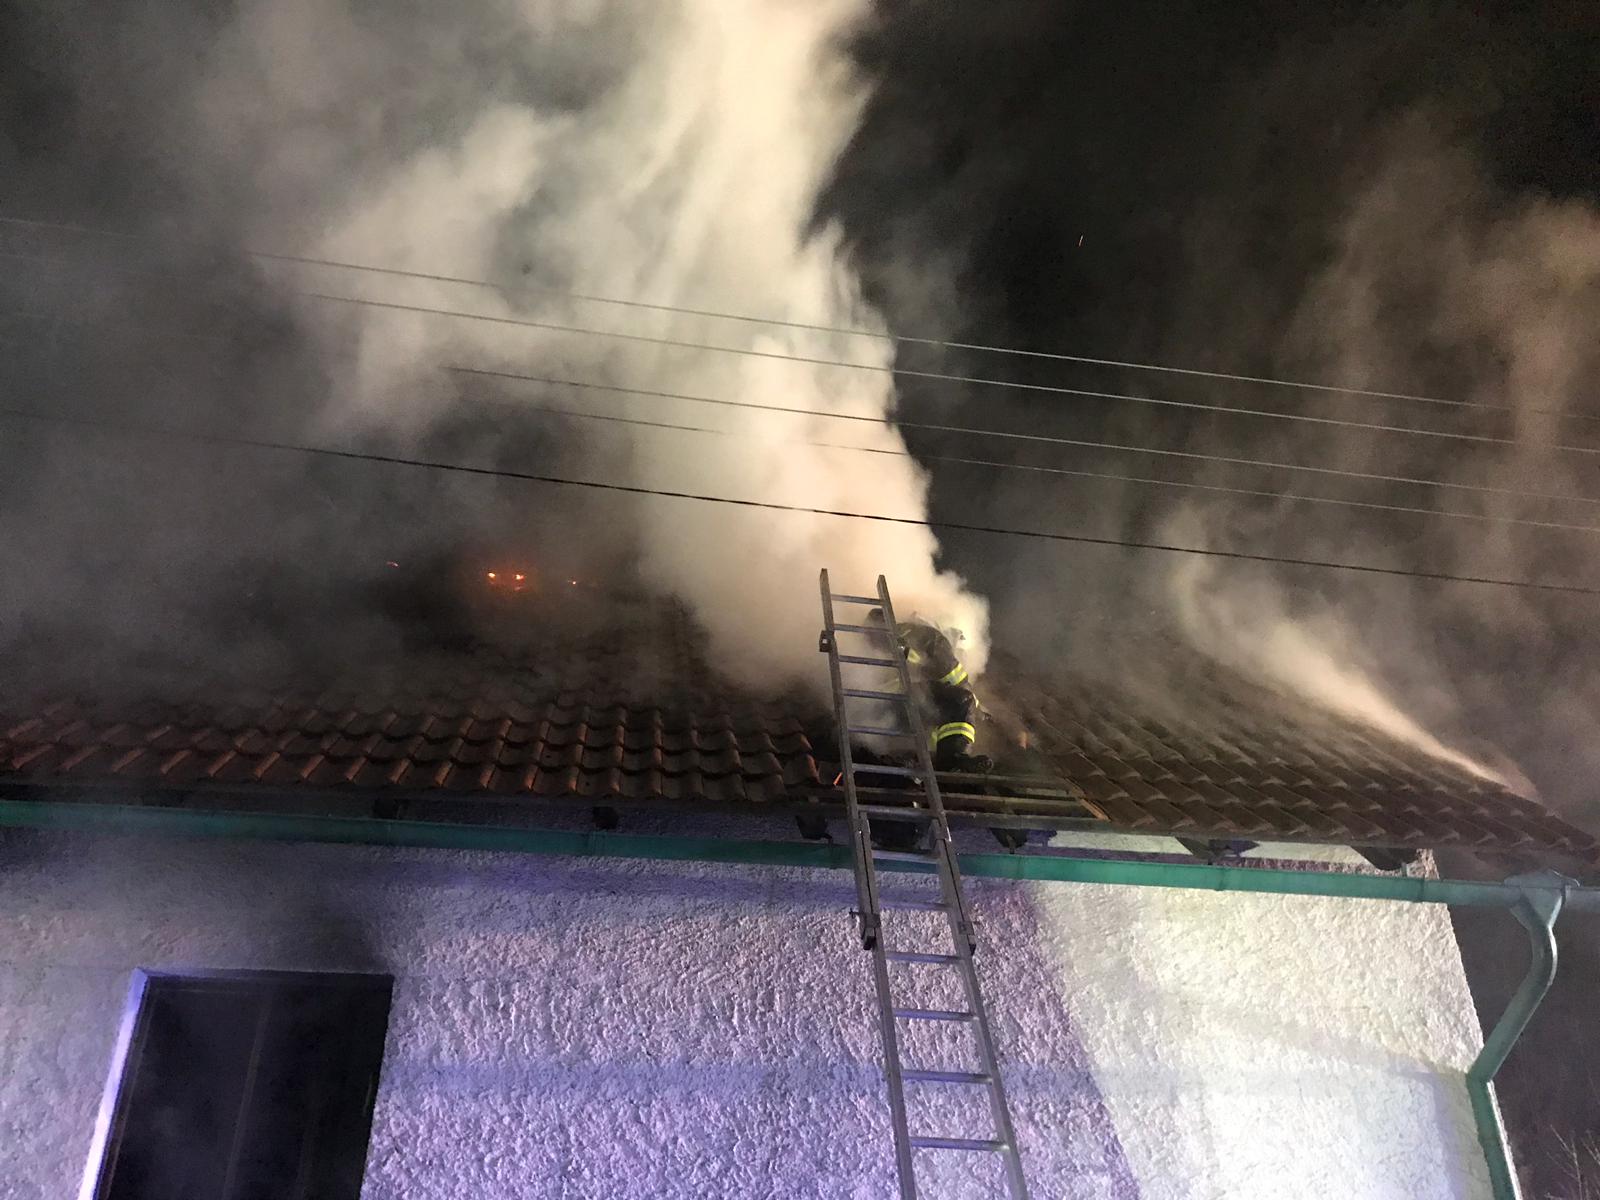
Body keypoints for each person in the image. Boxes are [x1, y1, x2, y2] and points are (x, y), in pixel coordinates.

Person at [867, 610, 992, 773]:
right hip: (898, 697)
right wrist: (977, 710)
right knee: (960, 701)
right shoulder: (932, 640)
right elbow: (957, 681)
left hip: (875, 707)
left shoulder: (888, 637)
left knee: (940, 710)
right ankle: (952, 759)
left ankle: (933, 758)